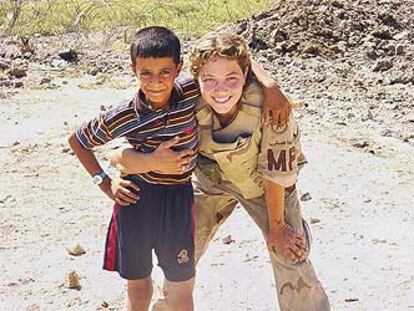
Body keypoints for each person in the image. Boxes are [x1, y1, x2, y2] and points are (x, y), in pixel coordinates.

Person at [68, 26, 290, 311]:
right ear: (133, 69)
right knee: (138, 287)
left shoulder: (189, 91)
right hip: (136, 200)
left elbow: (231, 59)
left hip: (179, 199)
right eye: (145, 72)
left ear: (179, 68)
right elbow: (78, 141)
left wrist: (270, 86)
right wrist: (105, 182)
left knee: (181, 284)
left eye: (165, 72)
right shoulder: (122, 115)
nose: (156, 81)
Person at [112, 32, 330, 310]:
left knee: (289, 251)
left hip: (265, 188)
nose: (220, 89)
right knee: (181, 249)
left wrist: (277, 228)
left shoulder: (271, 109)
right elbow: (135, 126)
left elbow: (276, 174)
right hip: (212, 183)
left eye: (231, 79)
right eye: (209, 80)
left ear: (245, 75)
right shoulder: (186, 95)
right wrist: (121, 170)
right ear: (195, 78)